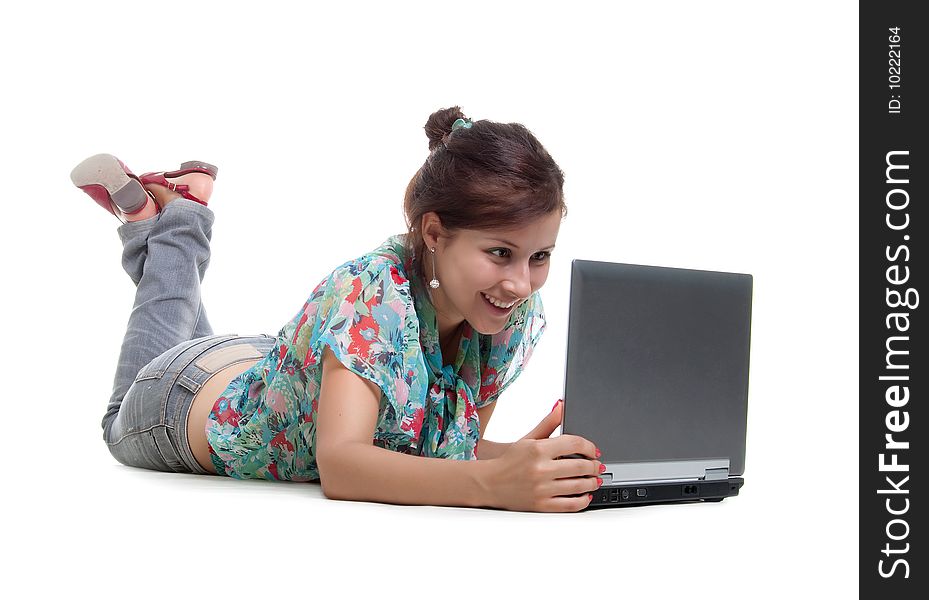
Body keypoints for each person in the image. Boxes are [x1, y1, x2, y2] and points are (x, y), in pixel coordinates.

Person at [72, 106, 604, 513]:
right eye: (499, 253)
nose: (519, 282)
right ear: (435, 233)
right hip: (180, 404)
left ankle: (156, 217)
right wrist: (494, 482)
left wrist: (515, 461)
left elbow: (437, 453)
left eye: (539, 256)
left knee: (191, 338)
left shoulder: (506, 314)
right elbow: (344, 466)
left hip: (269, 372)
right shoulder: (373, 292)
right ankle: (177, 219)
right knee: (119, 414)